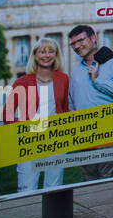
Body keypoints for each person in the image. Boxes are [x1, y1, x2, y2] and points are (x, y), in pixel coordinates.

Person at [67, 24, 113, 181]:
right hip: (84, 134)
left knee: (109, 180)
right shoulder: (76, 72)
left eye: (81, 40)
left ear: (93, 38)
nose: (77, 46)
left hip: (108, 132)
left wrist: (98, 80)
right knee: (88, 180)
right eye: (73, 44)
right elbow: (72, 103)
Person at [4, 40, 70, 192]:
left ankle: (53, 216)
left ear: (56, 55)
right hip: (30, 141)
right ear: (34, 55)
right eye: (42, 51)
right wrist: (24, 129)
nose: (47, 55)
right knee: (27, 187)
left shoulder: (63, 78)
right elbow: (7, 114)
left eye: (51, 51)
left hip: (57, 139)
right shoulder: (22, 82)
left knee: (54, 186)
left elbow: (65, 109)